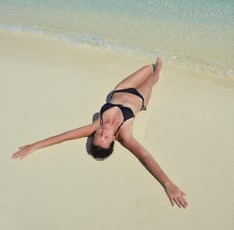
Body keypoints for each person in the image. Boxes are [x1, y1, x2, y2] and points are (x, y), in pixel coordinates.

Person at [12, 58, 188, 209]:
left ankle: (154, 66)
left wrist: (33, 146)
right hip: (140, 98)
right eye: (106, 137)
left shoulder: (96, 124)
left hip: (121, 89)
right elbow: (145, 156)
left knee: (146, 68)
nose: (103, 132)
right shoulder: (125, 134)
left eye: (98, 135)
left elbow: (63, 136)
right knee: (153, 75)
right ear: (113, 140)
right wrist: (167, 183)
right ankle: (158, 69)